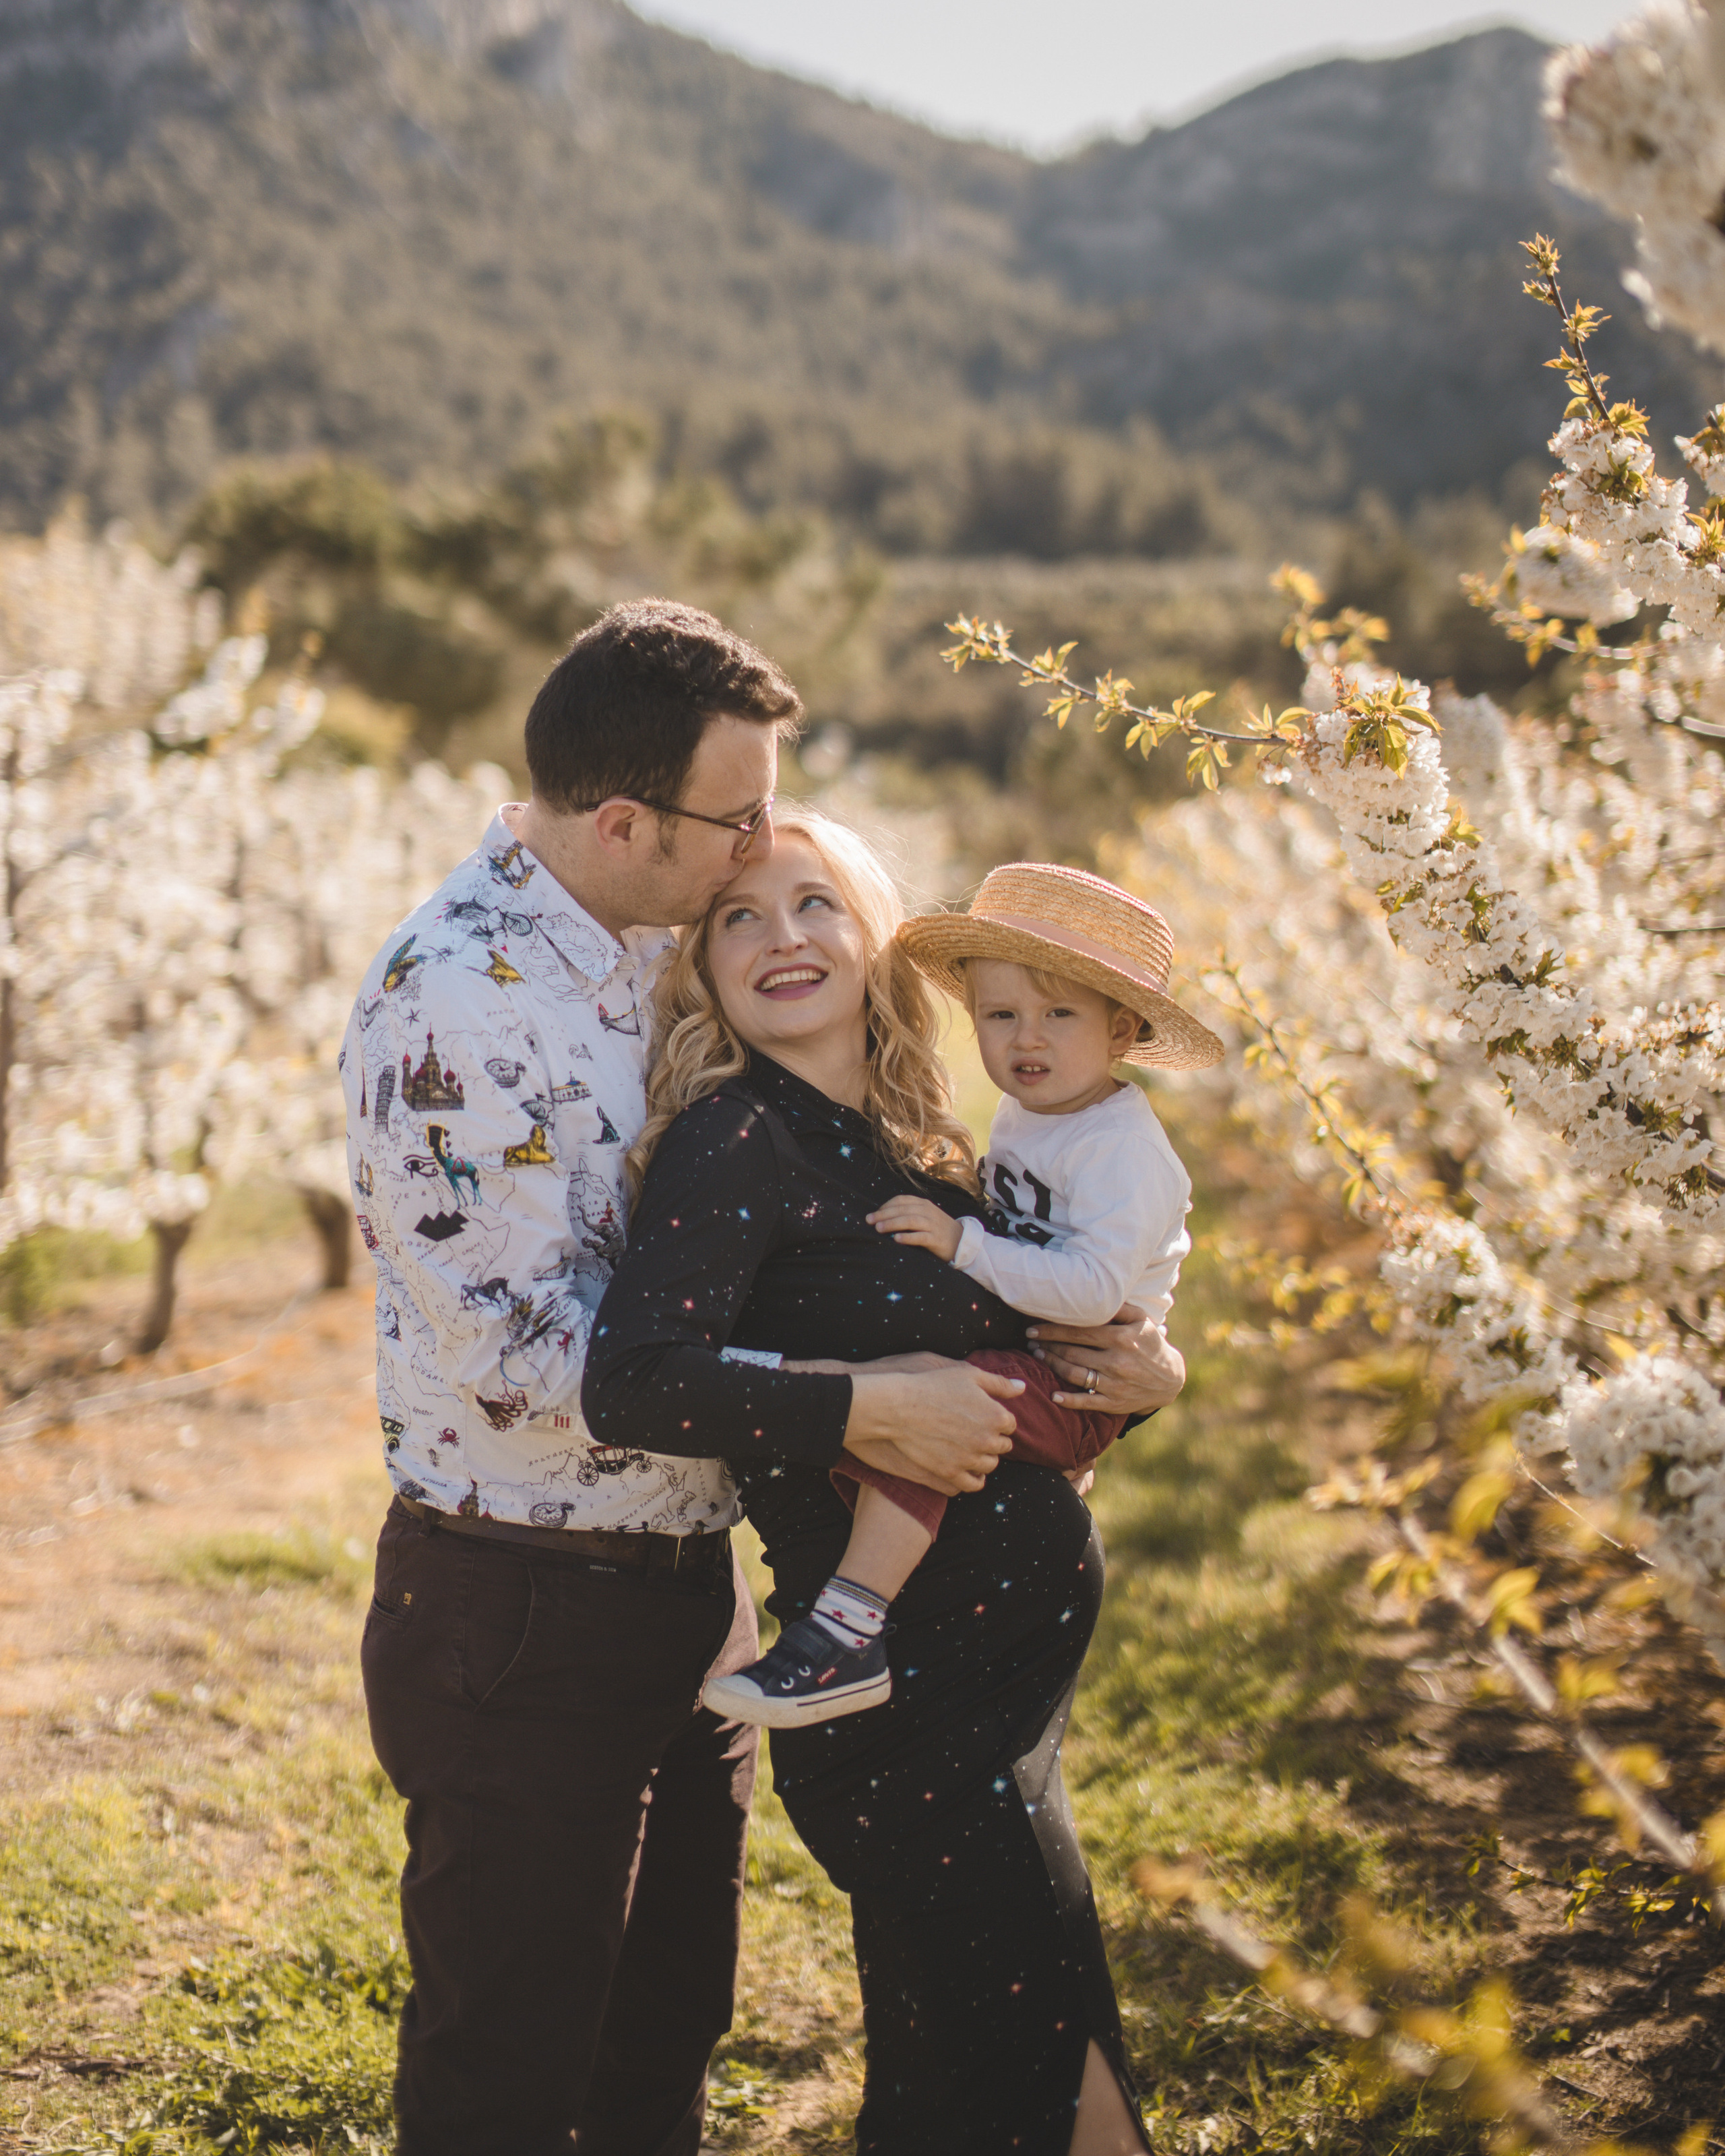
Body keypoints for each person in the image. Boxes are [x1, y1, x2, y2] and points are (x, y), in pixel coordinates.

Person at [343, 599, 1035, 2156]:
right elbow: (531, 1359)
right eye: (742, 819)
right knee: (507, 2074)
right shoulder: (456, 1003)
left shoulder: (645, 929)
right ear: (620, 821)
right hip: (523, 1608)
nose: (765, 848)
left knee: (660, 2039)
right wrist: (856, 1410)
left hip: (682, 1583)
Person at [584, 811, 1191, 2156]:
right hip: (892, 1687)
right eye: (737, 915)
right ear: (703, 965)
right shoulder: (737, 1138)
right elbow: (633, 1380)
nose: (779, 936)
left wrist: (1148, 1385)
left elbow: (1022, 1375)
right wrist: (863, 1407)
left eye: (812, 903)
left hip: (997, 1687)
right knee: (1013, 2047)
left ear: (870, 942)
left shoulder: (921, 1145)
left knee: (987, 2036)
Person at [703, 861, 1221, 1727]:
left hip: (1076, 1372)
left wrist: (963, 1243)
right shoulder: (1038, 1112)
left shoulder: (1122, 1153)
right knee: (904, 1402)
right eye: (1000, 1015)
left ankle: (846, 1630)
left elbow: (1093, 1292)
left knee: (925, 1407)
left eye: (1061, 1014)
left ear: (1122, 1028)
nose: (1028, 1039)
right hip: (1044, 1360)